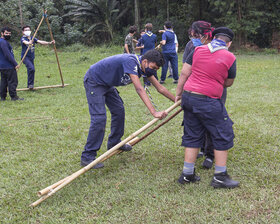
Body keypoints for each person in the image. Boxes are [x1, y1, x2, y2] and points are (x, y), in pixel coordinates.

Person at [81, 49, 175, 169]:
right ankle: (87, 156)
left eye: (156, 69)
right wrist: (154, 112)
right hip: (95, 81)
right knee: (99, 119)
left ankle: (115, 143)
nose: (154, 71)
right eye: (153, 67)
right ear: (145, 61)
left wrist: (177, 101)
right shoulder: (131, 62)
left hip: (107, 84)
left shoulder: (145, 67)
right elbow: (139, 89)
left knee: (119, 110)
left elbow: (160, 88)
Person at [175, 27, 239, 188]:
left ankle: (187, 174)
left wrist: (179, 94)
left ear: (213, 38)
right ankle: (220, 177)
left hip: (189, 97)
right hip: (208, 100)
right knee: (223, 134)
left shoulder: (197, 49)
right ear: (229, 43)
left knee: (192, 134)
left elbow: (184, 72)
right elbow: (228, 83)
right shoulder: (230, 57)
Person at [182, 21, 216, 169]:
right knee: (194, 120)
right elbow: (185, 69)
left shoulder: (216, 46)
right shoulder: (191, 46)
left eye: (195, 34)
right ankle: (200, 147)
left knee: (211, 120)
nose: (192, 36)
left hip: (212, 90)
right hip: (194, 89)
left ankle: (210, 154)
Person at [21, 25, 55, 89]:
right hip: (25, 57)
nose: (27, 31)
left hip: (31, 58)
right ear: (23, 32)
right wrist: (29, 43)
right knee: (31, 69)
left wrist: (49, 43)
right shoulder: (23, 38)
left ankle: (30, 85)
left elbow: (40, 42)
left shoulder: (32, 38)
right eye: (26, 30)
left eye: (28, 30)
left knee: (31, 70)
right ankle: (30, 84)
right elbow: (25, 42)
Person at [0, 27, 23, 101]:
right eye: (6, 33)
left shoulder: (3, 41)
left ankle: (3, 97)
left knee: (4, 81)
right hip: (8, 65)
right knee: (12, 81)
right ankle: (13, 97)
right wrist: (15, 63)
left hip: (2, 66)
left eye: (9, 33)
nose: (8, 35)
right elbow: (7, 54)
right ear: (2, 33)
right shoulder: (3, 42)